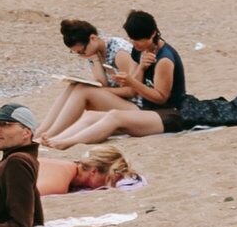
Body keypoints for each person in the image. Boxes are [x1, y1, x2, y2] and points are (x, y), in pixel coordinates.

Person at [38, 17, 159, 146]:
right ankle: (42, 131)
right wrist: (93, 58)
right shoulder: (96, 52)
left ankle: (51, 134)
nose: (82, 55)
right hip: (123, 102)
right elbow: (102, 82)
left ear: (93, 38)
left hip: (139, 106)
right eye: (78, 53)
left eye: (82, 51)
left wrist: (102, 90)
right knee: (76, 86)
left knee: (83, 91)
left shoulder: (119, 52)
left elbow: (132, 90)